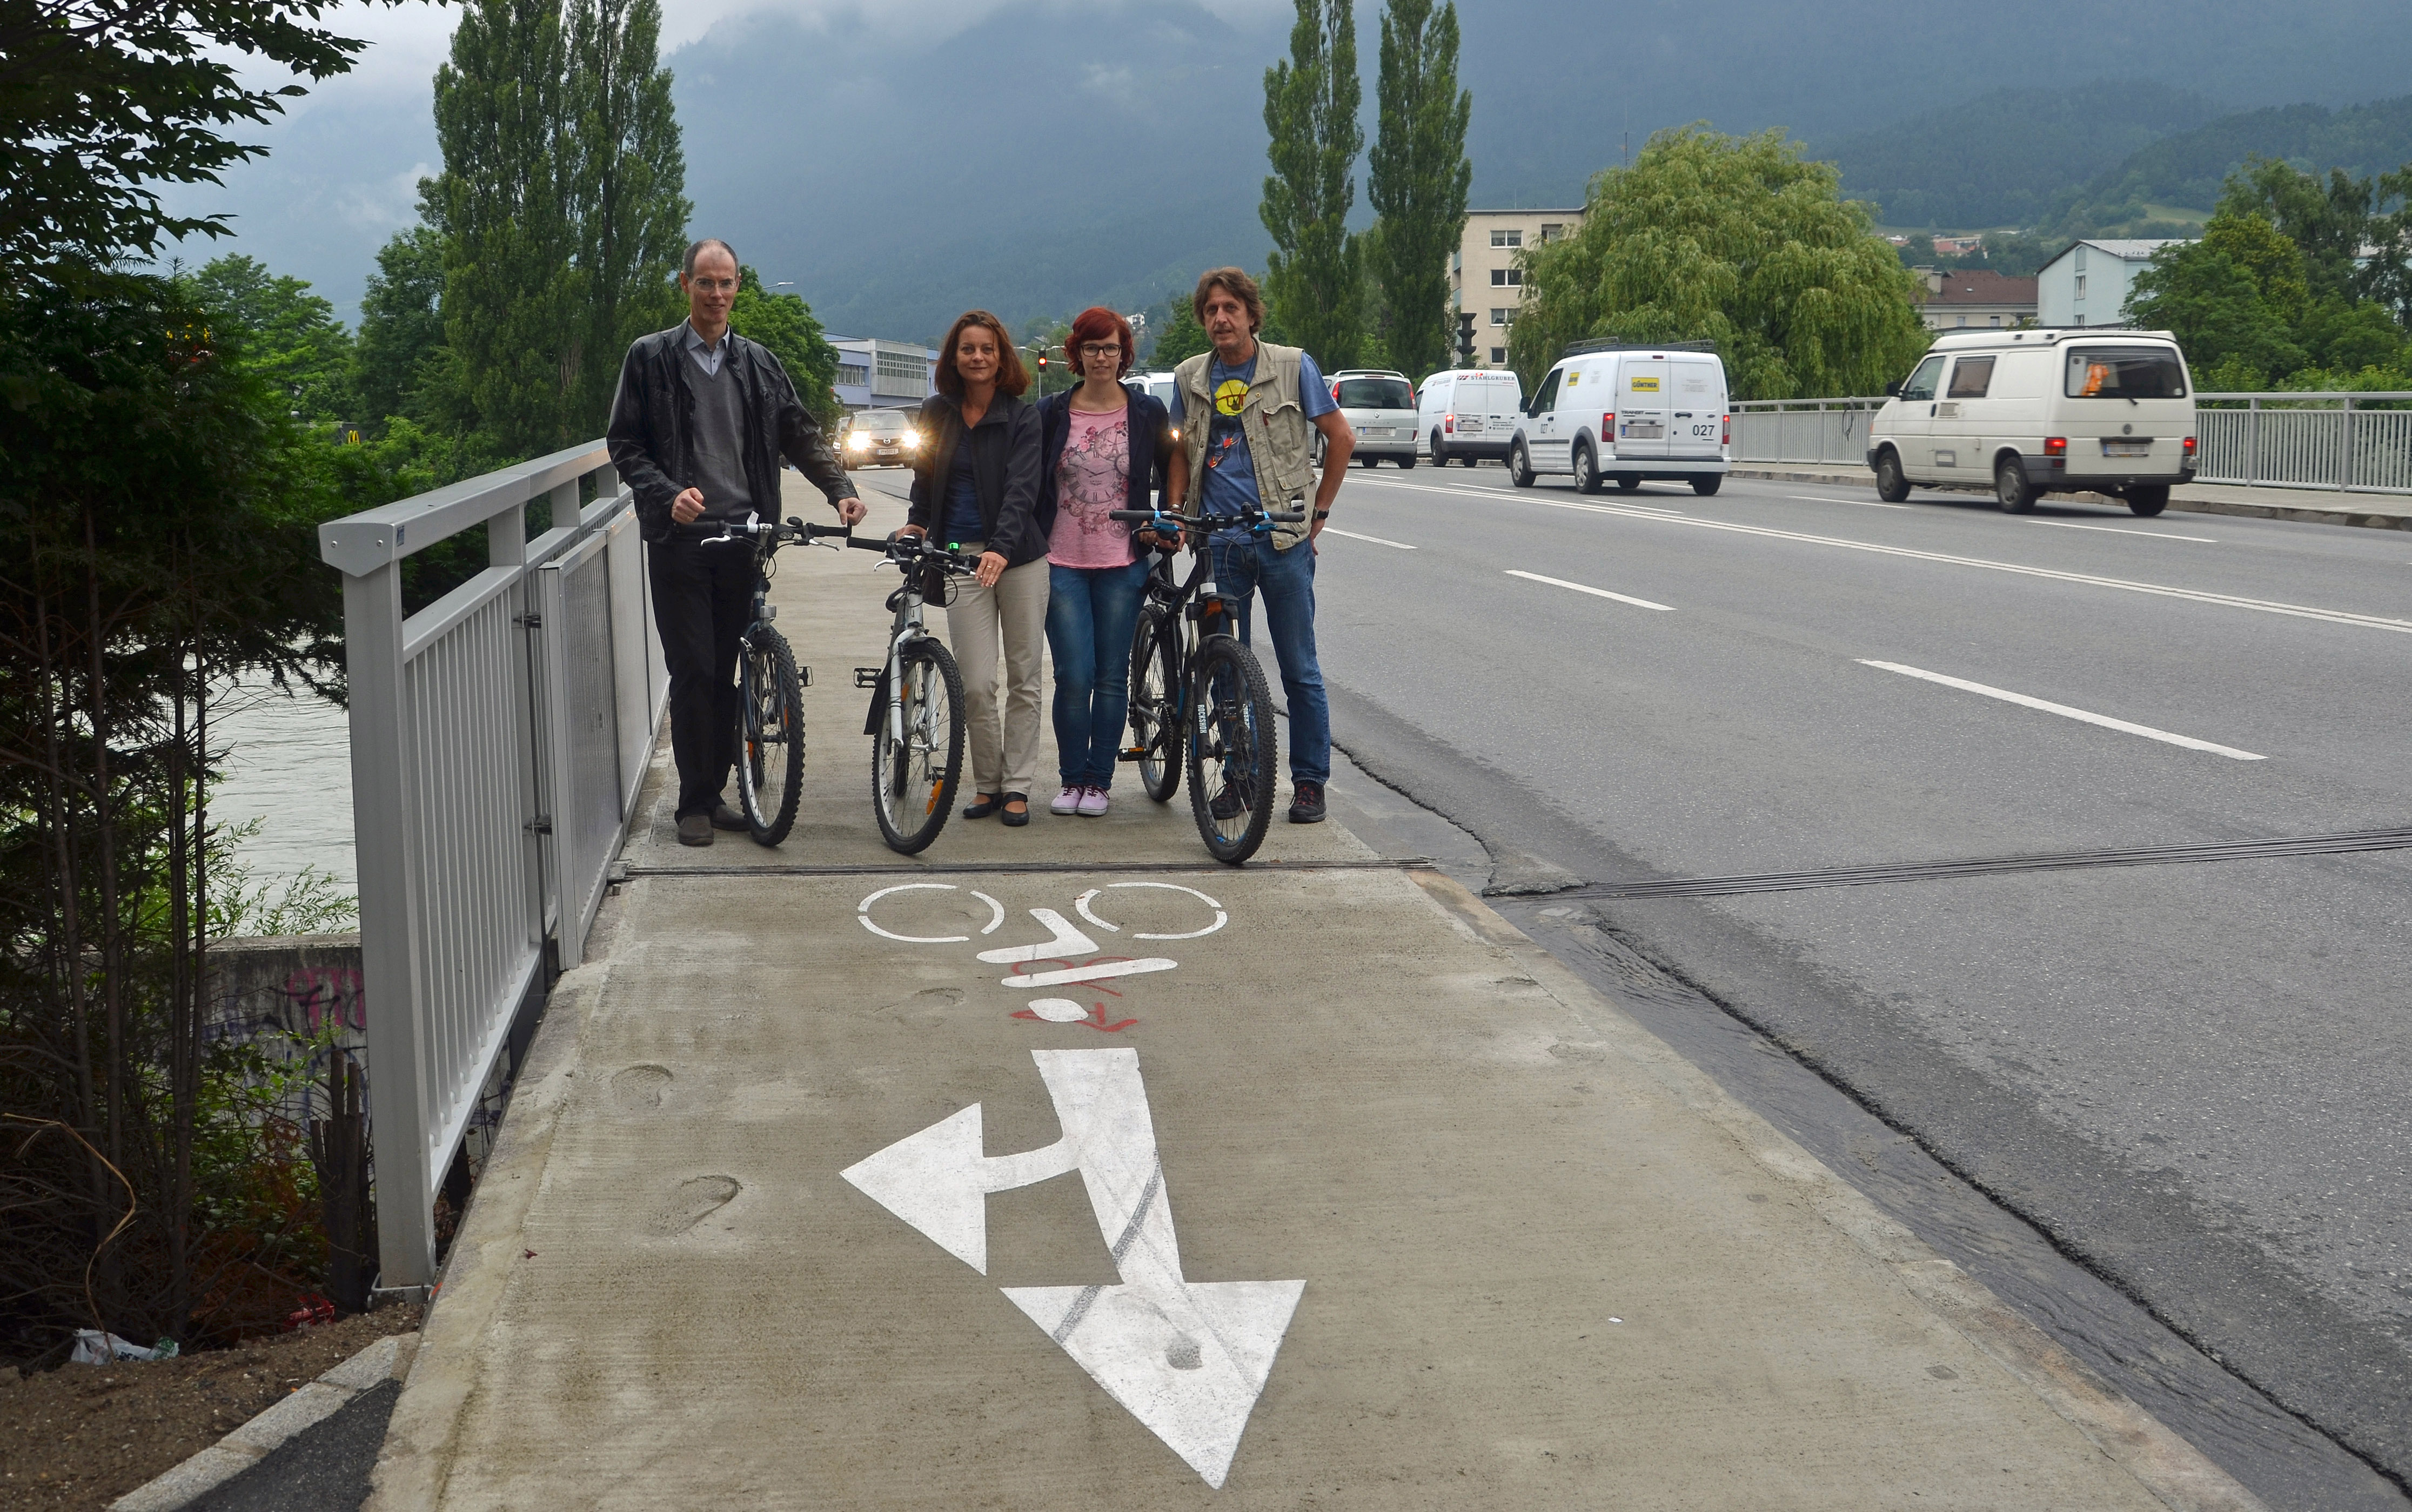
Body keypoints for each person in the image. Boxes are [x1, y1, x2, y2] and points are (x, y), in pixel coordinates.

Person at [607, 238, 865, 848]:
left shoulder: (758, 363)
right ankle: (693, 803)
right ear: (685, 285)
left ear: (738, 287)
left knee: (727, 670)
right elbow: (625, 445)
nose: (717, 294)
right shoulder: (650, 358)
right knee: (694, 668)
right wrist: (668, 492)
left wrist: (840, 489)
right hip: (680, 540)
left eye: (726, 284)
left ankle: (718, 792)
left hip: (745, 539)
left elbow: (799, 434)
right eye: (706, 283)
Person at [1166, 266, 1353, 823]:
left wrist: (1318, 511)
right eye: (1211, 311)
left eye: (1231, 308)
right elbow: (1178, 449)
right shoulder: (1188, 377)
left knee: (1299, 667)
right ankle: (1240, 780)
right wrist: (1176, 514)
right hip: (1219, 543)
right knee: (1227, 669)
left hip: (1282, 540)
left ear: (1251, 313)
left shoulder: (1293, 367)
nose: (1221, 318)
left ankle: (1309, 783)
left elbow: (1340, 436)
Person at [898, 310, 1048, 828]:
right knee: (977, 681)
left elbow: (1023, 489)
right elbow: (924, 478)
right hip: (960, 556)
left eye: (987, 348)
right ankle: (988, 783)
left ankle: (1018, 787)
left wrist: (1002, 547)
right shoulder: (936, 412)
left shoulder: (1022, 417)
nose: (978, 357)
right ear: (954, 357)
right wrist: (917, 525)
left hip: (1019, 559)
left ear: (1001, 355)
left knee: (1025, 676)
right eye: (968, 349)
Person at [1036, 307, 1185, 817]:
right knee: (1073, 674)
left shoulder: (1145, 412)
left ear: (1125, 355)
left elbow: (1173, 466)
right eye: (1092, 348)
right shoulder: (1053, 412)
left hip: (1124, 561)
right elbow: (1030, 481)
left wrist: (1170, 518)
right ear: (1075, 354)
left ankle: (1099, 782)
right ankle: (1071, 777)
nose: (1102, 357)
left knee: (1111, 676)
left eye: (1111, 348)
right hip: (1061, 561)